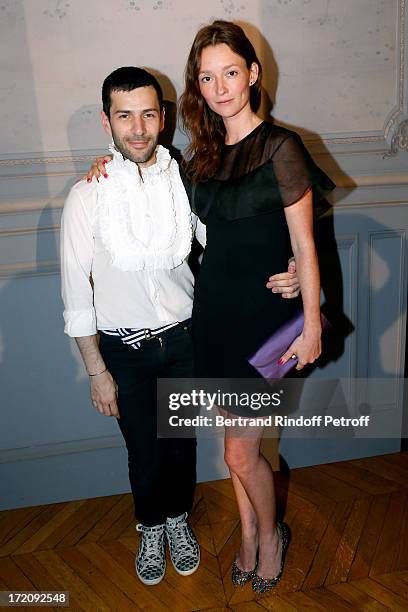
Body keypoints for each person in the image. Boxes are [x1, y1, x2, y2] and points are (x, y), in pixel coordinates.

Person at [62, 66, 299, 587]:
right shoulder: (88, 194)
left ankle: (177, 522)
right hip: (123, 351)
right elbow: (76, 292)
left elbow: (233, 235)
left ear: (163, 118)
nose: (138, 128)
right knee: (143, 452)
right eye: (125, 116)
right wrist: (96, 370)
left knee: (181, 445)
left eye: (148, 114)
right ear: (108, 121)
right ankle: (150, 527)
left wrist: (296, 263)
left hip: (189, 340)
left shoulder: (187, 177)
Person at [177, 20, 335, 593]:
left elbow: (306, 246)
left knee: (240, 453)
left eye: (230, 73)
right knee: (235, 451)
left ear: (253, 74)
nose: (220, 88)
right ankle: (247, 535)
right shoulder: (203, 156)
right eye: (207, 77)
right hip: (214, 317)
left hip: (266, 324)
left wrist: (312, 320)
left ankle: (270, 537)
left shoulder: (282, 147)